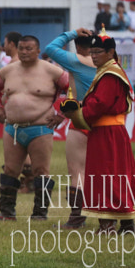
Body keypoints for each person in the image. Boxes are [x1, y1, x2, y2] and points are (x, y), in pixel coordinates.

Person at [61, 31, 135, 234]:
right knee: (117, 176)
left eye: (98, 52)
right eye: (92, 52)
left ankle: (107, 225)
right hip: (107, 132)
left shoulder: (110, 74)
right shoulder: (108, 71)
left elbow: (100, 105)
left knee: (104, 177)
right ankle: (126, 224)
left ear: (110, 52)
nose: (93, 56)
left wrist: (76, 112)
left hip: (107, 132)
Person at [0, 35, 69, 221]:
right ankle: (7, 213)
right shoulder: (7, 71)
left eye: (29, 48)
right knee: (10, 170)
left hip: (40, 128)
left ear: (38, 51)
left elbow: (73, 90)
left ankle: (40, 214)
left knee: (41, 171)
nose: (24, 52)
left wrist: (62, 114)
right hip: (12, 129)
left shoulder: (53, 71)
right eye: (22, 48)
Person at [42, 28, 95, 229]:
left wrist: (71, 33)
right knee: (107, 172)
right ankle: (114, 221)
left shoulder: (76, 60)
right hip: (105, 122)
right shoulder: (112, 65)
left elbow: (50, 48)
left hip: (81, 120)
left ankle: (76, 219)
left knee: (77, 172)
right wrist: (63, 114)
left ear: (78, 46)